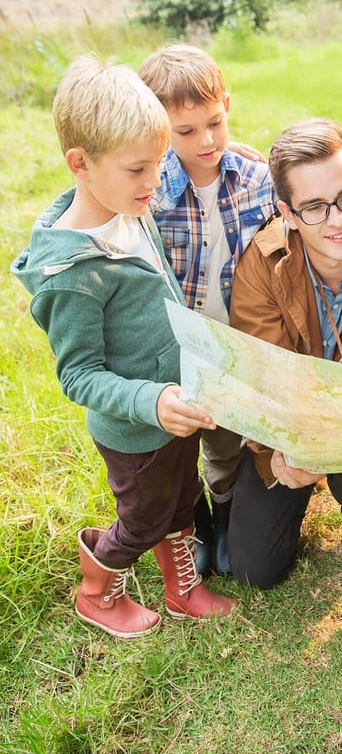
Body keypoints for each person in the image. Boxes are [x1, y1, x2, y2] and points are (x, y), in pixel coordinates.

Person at [11, 56, 236, 639]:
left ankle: (182, 586)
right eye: (139, 169)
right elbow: (79, 376)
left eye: (158, 165)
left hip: (175, 411)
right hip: (136, 430)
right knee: (142, 520)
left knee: (183, 499)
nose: (154, 182)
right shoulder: (72, 273)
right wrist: (152, 400)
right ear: (80, 165)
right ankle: (98, 591)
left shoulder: (128, 209)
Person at [228, 118, 342, 604]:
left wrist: (326, 445)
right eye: (315, 208)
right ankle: (298, 488)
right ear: (287, 211)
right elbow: (261, 376)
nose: (338, 219)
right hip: (288, 428)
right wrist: (284, 451)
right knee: (253, 570)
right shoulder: (264, 264)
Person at [139, 43, 275, 577]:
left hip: (230, 343)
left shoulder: (254, 176)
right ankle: (190, 522)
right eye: (186, 132)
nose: (207, 141)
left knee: (222, 441)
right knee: (176, 450)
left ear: (227, 105)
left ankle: (223, 515)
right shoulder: (150, 192)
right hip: (173, 346)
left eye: (214, 123)